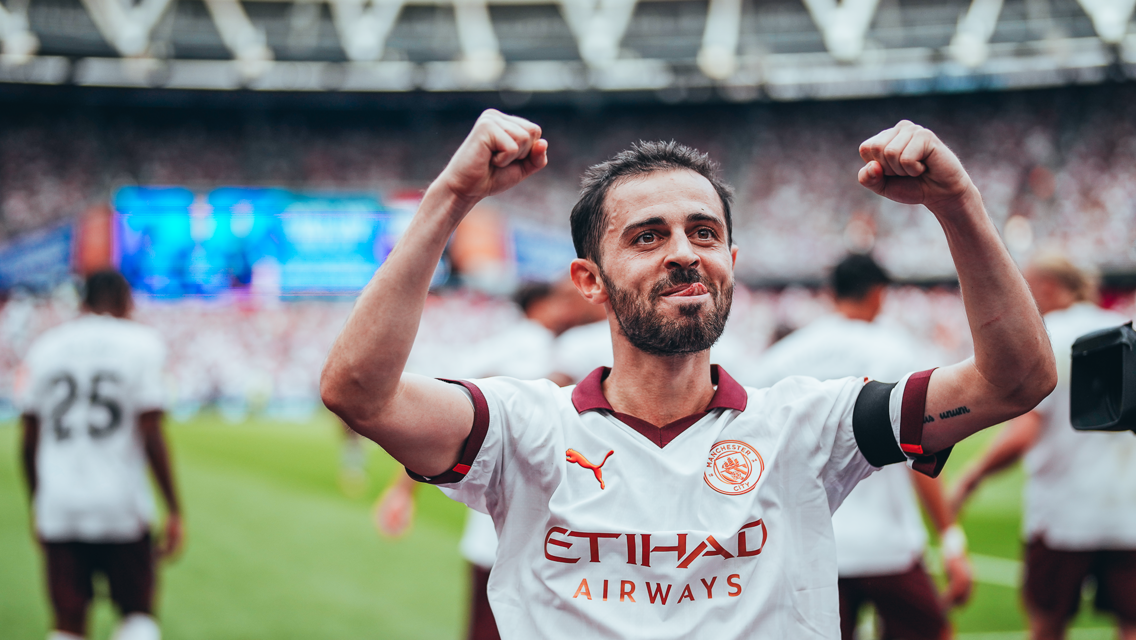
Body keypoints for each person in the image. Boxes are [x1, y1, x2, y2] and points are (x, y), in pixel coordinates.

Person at [320, 110, 1056, 638]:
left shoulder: (810, 424)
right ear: (589, 281)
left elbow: (1014, 382)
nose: (683, 251)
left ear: (730, 267)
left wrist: (958, 204)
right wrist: (451, 196)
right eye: (647, 236)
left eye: (704, 233)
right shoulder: (523, 428)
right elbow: (357, 391)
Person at [752, 254, 972, 640]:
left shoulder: (780, 359)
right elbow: (921, 455)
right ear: (878, 294)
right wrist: (951, 539)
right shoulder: (898, 351)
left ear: (831, 294)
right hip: (886, 544)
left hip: (808, 545)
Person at [375, 277, 607, 640]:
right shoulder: (531, 350)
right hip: (516, 527)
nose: (582, 301)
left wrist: (403, 490)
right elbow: (447, 418)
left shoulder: (559, 347)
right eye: (565, 297)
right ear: (542, 306)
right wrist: (403, 489)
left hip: (546, 527)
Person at [951, 252, 1136, 640]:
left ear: (1048, 287)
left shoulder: (1046, 335)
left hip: (1064, 513)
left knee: (1047, 624)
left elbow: (1023, 432)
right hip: (1127, 512)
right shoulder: (1125, 329)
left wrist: (973, 476)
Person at [19, 270, 182, 640]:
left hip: (59, 505)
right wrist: (173, 507)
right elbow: (152, 433)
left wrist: (38, 503)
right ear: (126, 301)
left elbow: (28, 441)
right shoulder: (141, 343)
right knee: (137, 613)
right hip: (119, 502)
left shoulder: (46, 347)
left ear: (83, 301)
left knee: (67, 620)